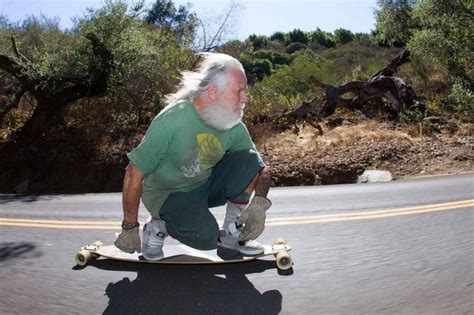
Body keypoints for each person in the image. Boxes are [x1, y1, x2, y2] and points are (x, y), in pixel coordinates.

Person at [114, 52, 272, 260]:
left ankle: (232, 235)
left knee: (249, 160)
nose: (245, 99)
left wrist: (259, 203)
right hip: (167, 195)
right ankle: (157, 227)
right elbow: (133, 172)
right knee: (205, 237)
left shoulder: (233, 124)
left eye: (245, 92)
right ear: (213, 92)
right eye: (239, 92)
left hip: (203, 185)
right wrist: (129, 226)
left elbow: (260, 168)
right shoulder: (172, 120)